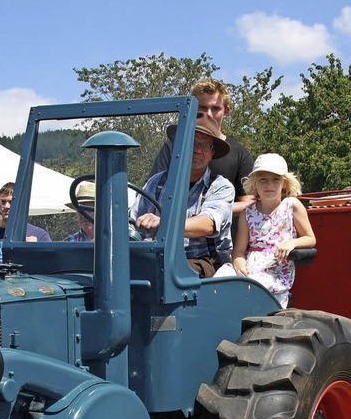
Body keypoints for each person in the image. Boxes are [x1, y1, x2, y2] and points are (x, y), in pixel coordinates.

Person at [130, 112, 235, 278]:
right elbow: (132, 219)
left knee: (162, 275)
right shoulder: (156, 182)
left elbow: (207, 223)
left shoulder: (221, 187)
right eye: (192, 142)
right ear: (180, 145)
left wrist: (165, 224)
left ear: (212, 153)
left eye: (205, 145)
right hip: (156, 258)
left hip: (202, 262)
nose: (197, 150)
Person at [213, 154, 316, 308]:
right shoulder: (247, 213)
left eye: (276, 179)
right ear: (255, 184)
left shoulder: (292, 206)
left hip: (275, 270)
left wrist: (292, 243)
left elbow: (310, 238)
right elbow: (239, 251)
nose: (270, 185)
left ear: (285, 183)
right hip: (249, 267)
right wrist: (239, 265)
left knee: (253, 286)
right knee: (220, 279)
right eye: (263, 180)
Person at [151, 78, 254, 216]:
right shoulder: (173, 146)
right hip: (170, 234)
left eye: (215, 108)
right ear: (192, 109)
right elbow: (152, 193)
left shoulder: (240, 154)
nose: (208, 114)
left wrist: (212, 208)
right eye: (202, 107)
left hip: (218, 235)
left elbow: (249, 203)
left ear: (226, 111)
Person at [0, 181, 51, 268]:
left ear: (21, 204)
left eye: (11, 202)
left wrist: (35, 250)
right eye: (3, 202)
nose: (7, 206)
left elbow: (49, 269)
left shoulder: (40, 235)